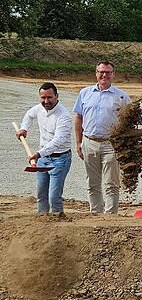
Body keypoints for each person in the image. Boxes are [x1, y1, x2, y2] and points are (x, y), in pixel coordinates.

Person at [73, 61, 130, 214]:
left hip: (111, 144)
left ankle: (111, 216)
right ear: (96, 73)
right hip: (89, 142)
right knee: (92, 182)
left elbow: (129, 123)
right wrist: (78, 142)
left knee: (111, 183)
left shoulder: (122, 97)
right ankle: (96, 214)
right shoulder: (84, 93)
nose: (104, 75)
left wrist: (125, 146)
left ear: (113, 74)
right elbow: (78, 117)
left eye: (108, 72)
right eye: (101, 72)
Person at [17, 83, 73, 213]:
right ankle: (43, 222)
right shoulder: (39, 109)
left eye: (49, 97)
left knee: (54, 197)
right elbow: (29, 115)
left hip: (60, 159)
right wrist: (24, 128)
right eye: (43, 98)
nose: (46, 101)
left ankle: (57, 222)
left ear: (57, 96)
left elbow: (57, 141)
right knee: (41, 195)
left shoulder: (63, 116)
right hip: (43, 159)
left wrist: (38, 154)